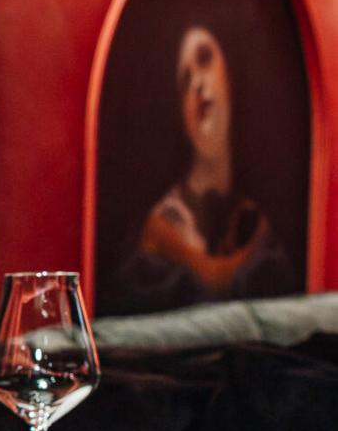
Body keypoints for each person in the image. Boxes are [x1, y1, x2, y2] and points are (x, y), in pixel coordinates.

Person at [112, 22, 296, 313]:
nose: (197, 82)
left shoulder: (256, 220)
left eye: (205, 60)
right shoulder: (159, 227)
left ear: (232, 76)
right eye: (185, 80)